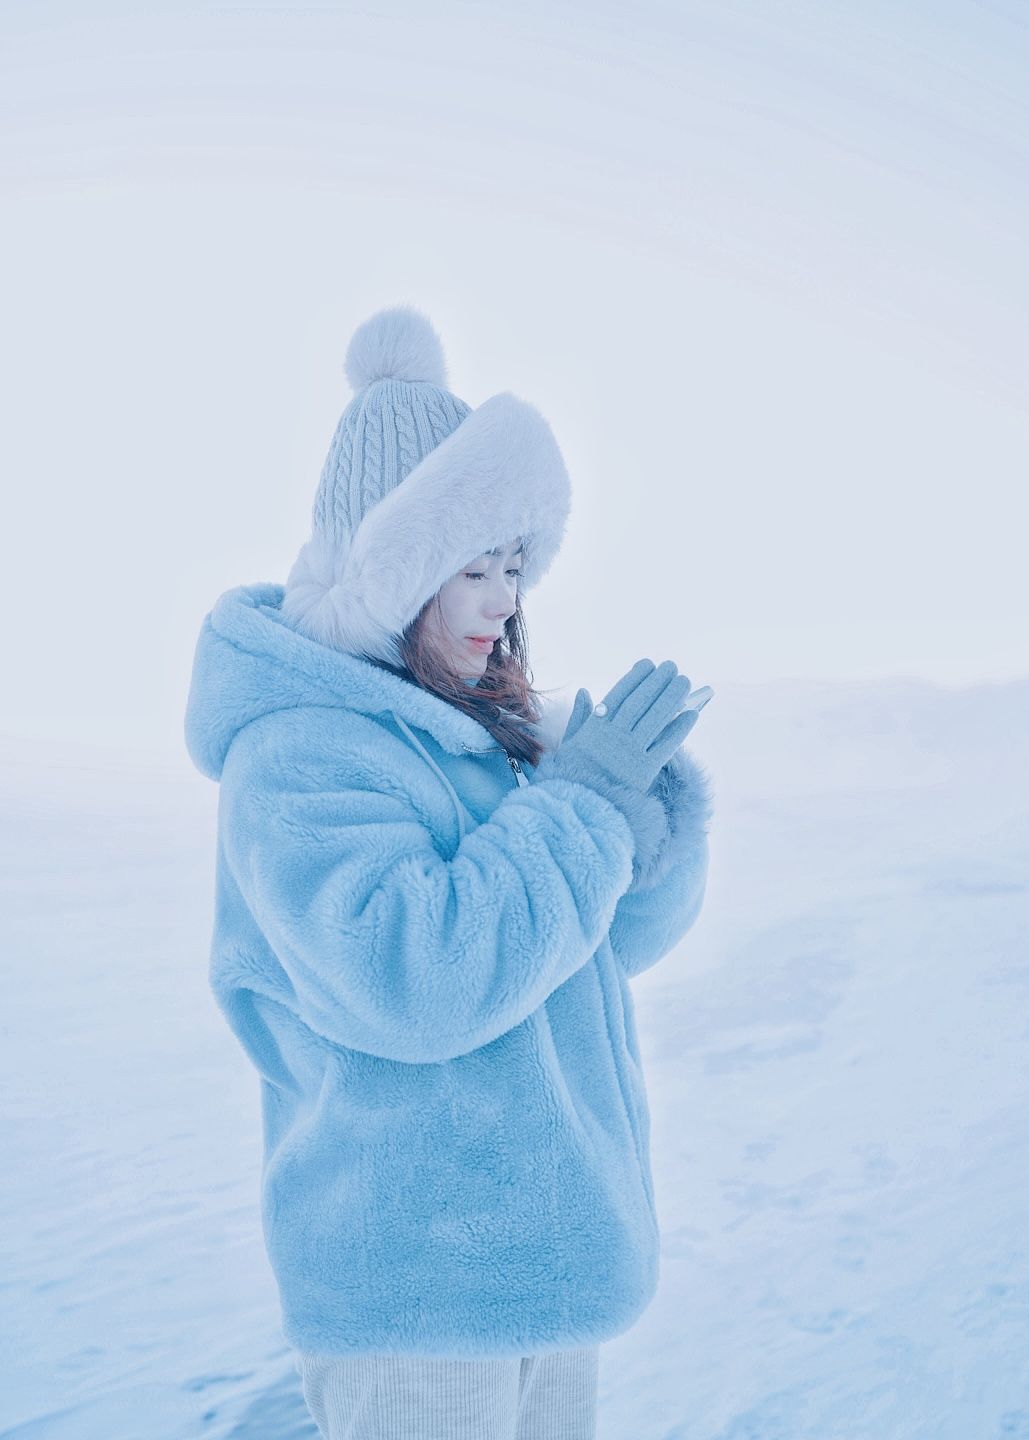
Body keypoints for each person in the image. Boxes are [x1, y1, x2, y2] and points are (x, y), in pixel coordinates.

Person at [183, 305, 714, 1439]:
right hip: (418, 1299)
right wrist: (580, 812)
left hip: (542, 1272)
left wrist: (637, 814)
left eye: (514, 565)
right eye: (473, 566)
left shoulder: (471, 742)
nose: (506, 600)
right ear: (392, 567)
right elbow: (412, 979)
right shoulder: (300, 752)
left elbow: (589, 958)